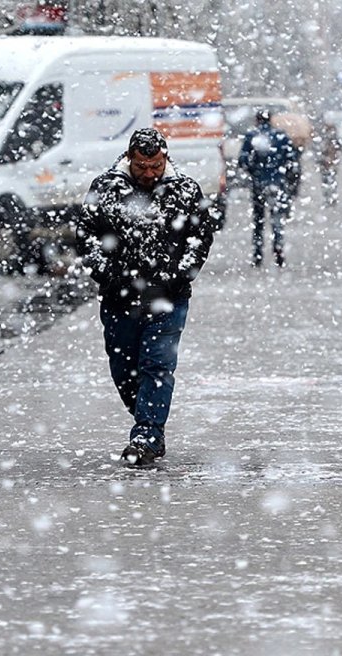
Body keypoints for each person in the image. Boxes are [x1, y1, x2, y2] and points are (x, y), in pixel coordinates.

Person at [77, 128, 216, 467]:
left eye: (155, 165)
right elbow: (86, 235)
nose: (149, 173)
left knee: (157, 365)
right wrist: (105, 274)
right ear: (129, 159)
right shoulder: (106, 188)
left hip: (167, 298)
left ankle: (147, 435)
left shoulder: (185, 190)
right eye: (142, 166)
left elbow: (199, 238)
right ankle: (146, 416)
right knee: (124, 368)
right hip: (119, 297)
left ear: (165, 158)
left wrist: (179, 275)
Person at [238, 110, 300, 267]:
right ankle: (278, 251)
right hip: (277, 183)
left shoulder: (252, 136)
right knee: (277, 219)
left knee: (259, 220)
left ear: (257, 120)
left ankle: (258, 254)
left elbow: (243, 160)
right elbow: (292, 160)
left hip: (258, 184)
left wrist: (253, 171)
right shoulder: (281, 136)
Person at [314, 120, 341, 206]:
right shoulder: (324, 140)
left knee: (330, 181)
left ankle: (331, 198)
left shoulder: (331, 141)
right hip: (326, 165)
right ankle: (328, 198)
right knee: (327, 181)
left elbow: (337, 152)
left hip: (330, 165)